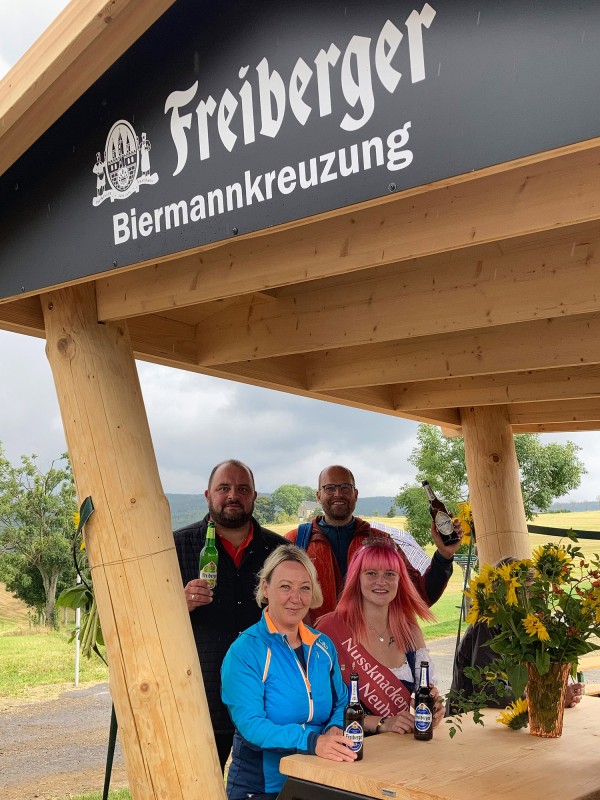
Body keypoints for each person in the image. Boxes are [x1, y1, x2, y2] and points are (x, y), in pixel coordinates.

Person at [221, 544, 355, 800]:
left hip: (319, 779)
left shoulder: (323, 645)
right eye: (285, 587)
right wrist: (313, 741)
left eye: (304, 588)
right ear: (266, 588)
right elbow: (252, 727)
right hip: (262, 788)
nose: (296, 598)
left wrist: (335, 728)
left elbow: (341, 701)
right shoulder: (246, 650)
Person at [173, 459, 283, 771]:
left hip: (266, 698)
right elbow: (148, 618)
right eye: (224, 488)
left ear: (254, 496)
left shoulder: (279, 552)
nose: (233, 495)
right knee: (198, 784)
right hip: (201, 697)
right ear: (208, 495)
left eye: (242, 489)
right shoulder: (175, 546)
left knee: (265, 788)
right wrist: (177, 605)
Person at [286, 464, 462, 621]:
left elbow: (418, 595)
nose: (338, 494)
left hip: (369, 644)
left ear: (355, 494)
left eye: (345, 487)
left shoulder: (381, 541)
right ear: (318, 496)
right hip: (313, 645)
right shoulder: (295, 542)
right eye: (330, 488)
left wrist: (444, 556)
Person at [317, 537, 445, 734]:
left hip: (397, 745)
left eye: (390, 574)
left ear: (400, 580)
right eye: (371, 573)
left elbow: (426, 692)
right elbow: (317, 706)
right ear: (356, 579)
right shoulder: (331, 628)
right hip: (349, 745)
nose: (381, 581)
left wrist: (432, 709)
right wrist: (382, 723)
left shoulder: (410, 631)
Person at [449, 556, 584, 712]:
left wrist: (557, 690)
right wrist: (548, 697)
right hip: (470, 718)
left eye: (532, 592)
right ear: (504, 592)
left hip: (502, 715)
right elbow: (489, 689)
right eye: (525, 592)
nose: (530, 599)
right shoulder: (487, 624)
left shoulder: (518, 625)